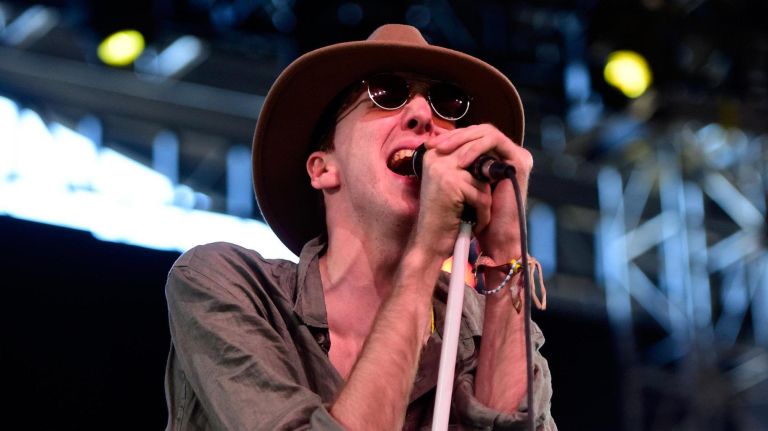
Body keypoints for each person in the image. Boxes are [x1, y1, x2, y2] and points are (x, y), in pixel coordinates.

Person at [164, 24, 555, 430]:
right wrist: (424, 255)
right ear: (323, 168)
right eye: (386, 93)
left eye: (446, 103)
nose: (424, 116)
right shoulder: (229, 285)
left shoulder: (478, 331)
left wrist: (507, 246)